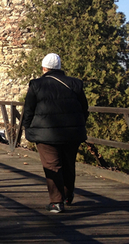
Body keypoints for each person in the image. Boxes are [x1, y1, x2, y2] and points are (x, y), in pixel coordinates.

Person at [22, 53, 89, 213]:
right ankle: (67, 195)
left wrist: (28, 128)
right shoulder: (75, 83)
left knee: (52, 165)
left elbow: (28, 110)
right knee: (68, 164)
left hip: (45, 133)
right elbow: (84, 108)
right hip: (72, 133)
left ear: (44, 68)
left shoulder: (36, 84)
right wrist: (78, 124)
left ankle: (57, 202)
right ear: (59, 67)